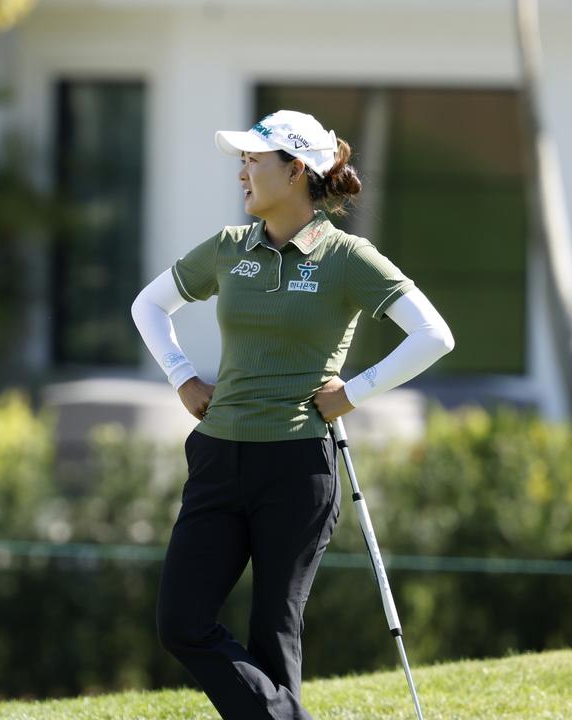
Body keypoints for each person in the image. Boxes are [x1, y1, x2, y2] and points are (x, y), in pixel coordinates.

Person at [130, 110, 454, 720]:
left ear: (296, 170)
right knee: (182, 620)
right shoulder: (229, 248)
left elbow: (434, 335)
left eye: (254, 161)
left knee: (274, 630)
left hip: (299, 463)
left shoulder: (347, 257)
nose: (243, 174)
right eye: (243, 162)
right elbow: (149, 306)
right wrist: (180, 376)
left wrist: (355, 391)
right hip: (218, 454)